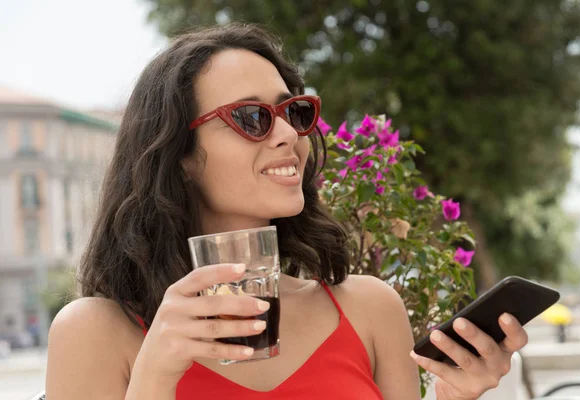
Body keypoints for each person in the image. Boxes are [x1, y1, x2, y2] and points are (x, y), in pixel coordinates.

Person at [46, 22, 528, 400]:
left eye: (292, 112)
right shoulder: (95, 332)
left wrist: (455, 397)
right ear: (180, 154)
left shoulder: (370, 309)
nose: (286, 135)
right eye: (252, 118)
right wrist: (155, 373)